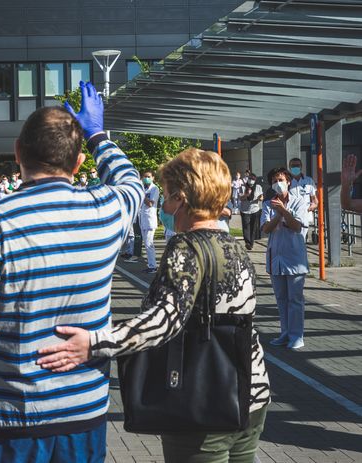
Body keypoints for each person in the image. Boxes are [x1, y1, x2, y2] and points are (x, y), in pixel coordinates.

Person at [0, 82, 145, 462]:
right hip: (83, 413)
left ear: (18, 152)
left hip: (8, 418)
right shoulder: (107, 210)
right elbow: (131, 182)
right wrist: (98, 136)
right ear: (78, 164)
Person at [37, 148, 271, 463]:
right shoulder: (233, 244)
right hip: (251, 390)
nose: (165, 206)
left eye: (166, 197)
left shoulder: (186, 247)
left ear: (182, 198)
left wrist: (95, 343)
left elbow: (164, 320)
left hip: (205, 398)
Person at [262, 167, 309, 350]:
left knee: (295, 299)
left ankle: (297, 335)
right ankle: (285, 333)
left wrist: (284, 211)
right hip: (276, 258)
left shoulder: (299, 202)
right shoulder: (268, 204)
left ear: (288, 181)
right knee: (281, 298)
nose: (278, 183)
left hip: (294, 258)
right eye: (274, 180)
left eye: (280, 179)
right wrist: (278, 214)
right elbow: (266, 228)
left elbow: (297, 226)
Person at [288, 158, 317, 240]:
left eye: (297, 165)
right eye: (293, 165)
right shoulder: (287, 181)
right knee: (292, 238)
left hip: (305, 215)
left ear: (301, 166)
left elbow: (315, 199)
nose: (295, 167)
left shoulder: (309, 181)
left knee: (302, 239)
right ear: (289, 167)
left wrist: (313, 205)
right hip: (291, 215)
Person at [139, 171, 159, 273]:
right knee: (146, 244)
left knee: (149, 243)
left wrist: (142, 194)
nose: (146, 178)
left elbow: (150, 203)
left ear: (153, 178)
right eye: (145, 176)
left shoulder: (154, 189)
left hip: (150, 220)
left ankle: (153, 266)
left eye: (148, 176)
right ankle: (151, 265)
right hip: (143, 220)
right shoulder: (143, 188)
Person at [239, 173, 263, 250]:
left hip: (255, 209)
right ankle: (247, 242)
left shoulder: (258, 187)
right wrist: (246, 195)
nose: (251, 180)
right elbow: (241, 198)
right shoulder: (242, 187)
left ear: (255, 180)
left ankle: (251, 243)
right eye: (250, 178)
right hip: (245, 210)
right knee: (246, 226)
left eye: (253, 179)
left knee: (253, 227)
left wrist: (260, 198)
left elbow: (261, 197)